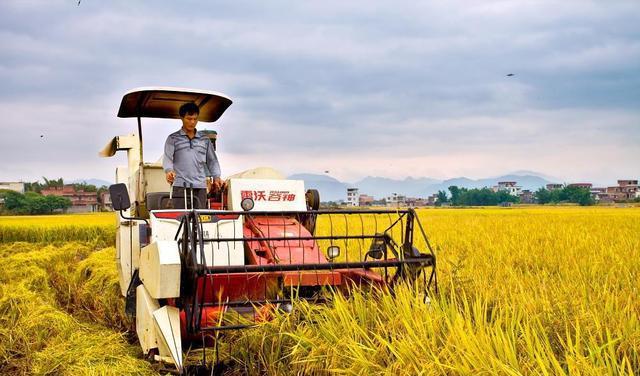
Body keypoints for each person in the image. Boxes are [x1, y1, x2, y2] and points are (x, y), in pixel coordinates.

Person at [163, 102, 223, 208]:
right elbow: (167, 158)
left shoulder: (205, 140)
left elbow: (212, 161)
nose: (192, 122)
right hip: (180, 186)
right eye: (189, 119)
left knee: (200, 219)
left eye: (195, 119)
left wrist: (217, 176)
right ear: (182, 118)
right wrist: (169, 171)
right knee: (180, 218)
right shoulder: (173, 138)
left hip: (200, 187)